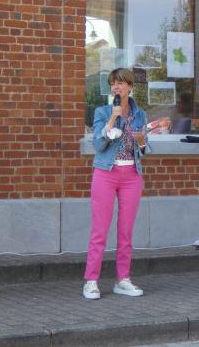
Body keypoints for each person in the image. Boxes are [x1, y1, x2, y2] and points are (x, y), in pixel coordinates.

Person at [83, 68, 148, 299]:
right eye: (112, 84)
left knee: (126, 231)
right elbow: (99, 145)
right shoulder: (102, 111)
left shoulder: (140, 114)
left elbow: (145, 149)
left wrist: (141, 142)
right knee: (99, 230)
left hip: (132, 174)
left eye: (120, 83)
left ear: (130, 86)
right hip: (106, 173)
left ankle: (123, 279)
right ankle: (91, 280)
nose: (115, 87)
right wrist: (112, 117)